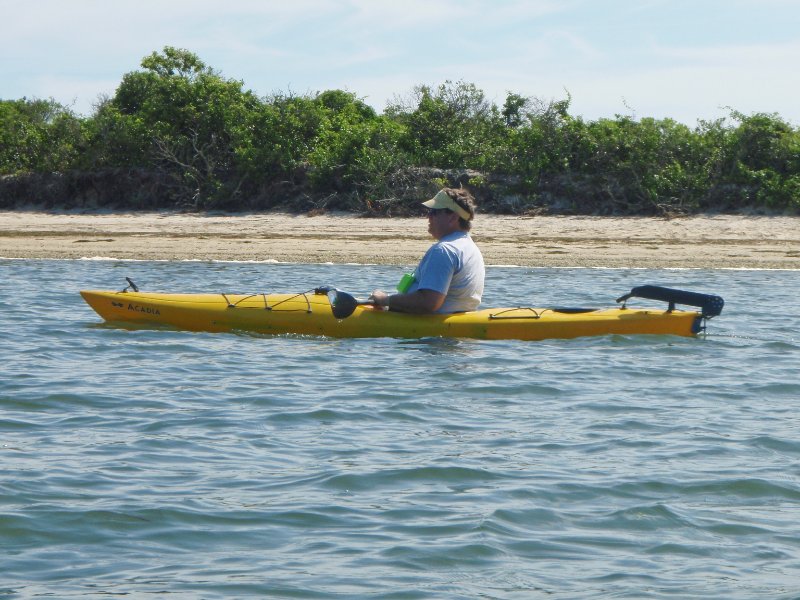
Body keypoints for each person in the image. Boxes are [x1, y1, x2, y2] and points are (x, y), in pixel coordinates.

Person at [369, 187, 485, 314]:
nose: (428, 216)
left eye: (434, 212)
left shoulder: (444, 250)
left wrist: (385, 300)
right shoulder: (472, 248)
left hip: (432, 328)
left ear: (453, 217)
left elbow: (429, 303)